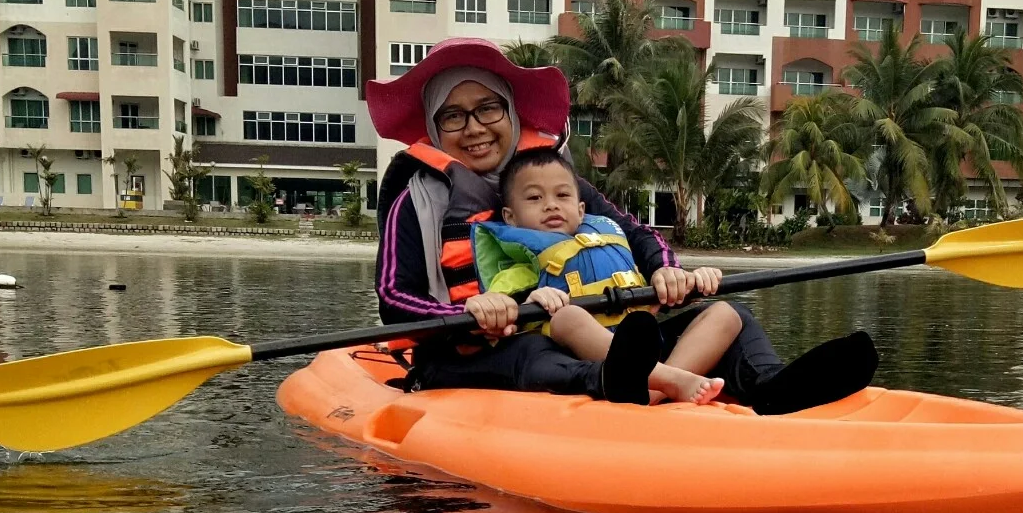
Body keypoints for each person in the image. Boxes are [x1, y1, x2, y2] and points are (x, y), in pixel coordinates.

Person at [368, 38, 880, 412]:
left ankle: (767, 388)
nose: (475, 128)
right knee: (533, 348)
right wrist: (474, 307)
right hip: (469, 352)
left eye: (487, 108)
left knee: (733, 314)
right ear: (436, 126)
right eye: (454, 116)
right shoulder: (416, 202)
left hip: (608, 338)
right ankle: (632, 383)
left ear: (512, 113)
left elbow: (637, 234)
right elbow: (395, 300)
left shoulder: (551, 181)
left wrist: (666, 270)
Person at [475, 147, 736, 405]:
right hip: (584, 360)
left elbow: (659, 294)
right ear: (510, 217)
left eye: (562, 195)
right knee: (566, 316)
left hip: (644, 343)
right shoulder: (517, 268)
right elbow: (501, 318)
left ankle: (658, 390)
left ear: (581, 211)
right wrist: (528, 302)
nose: (551, 205)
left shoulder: (613, 248)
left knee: (726, 314)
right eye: (534, 198)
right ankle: (667, 382)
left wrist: (697, 279)